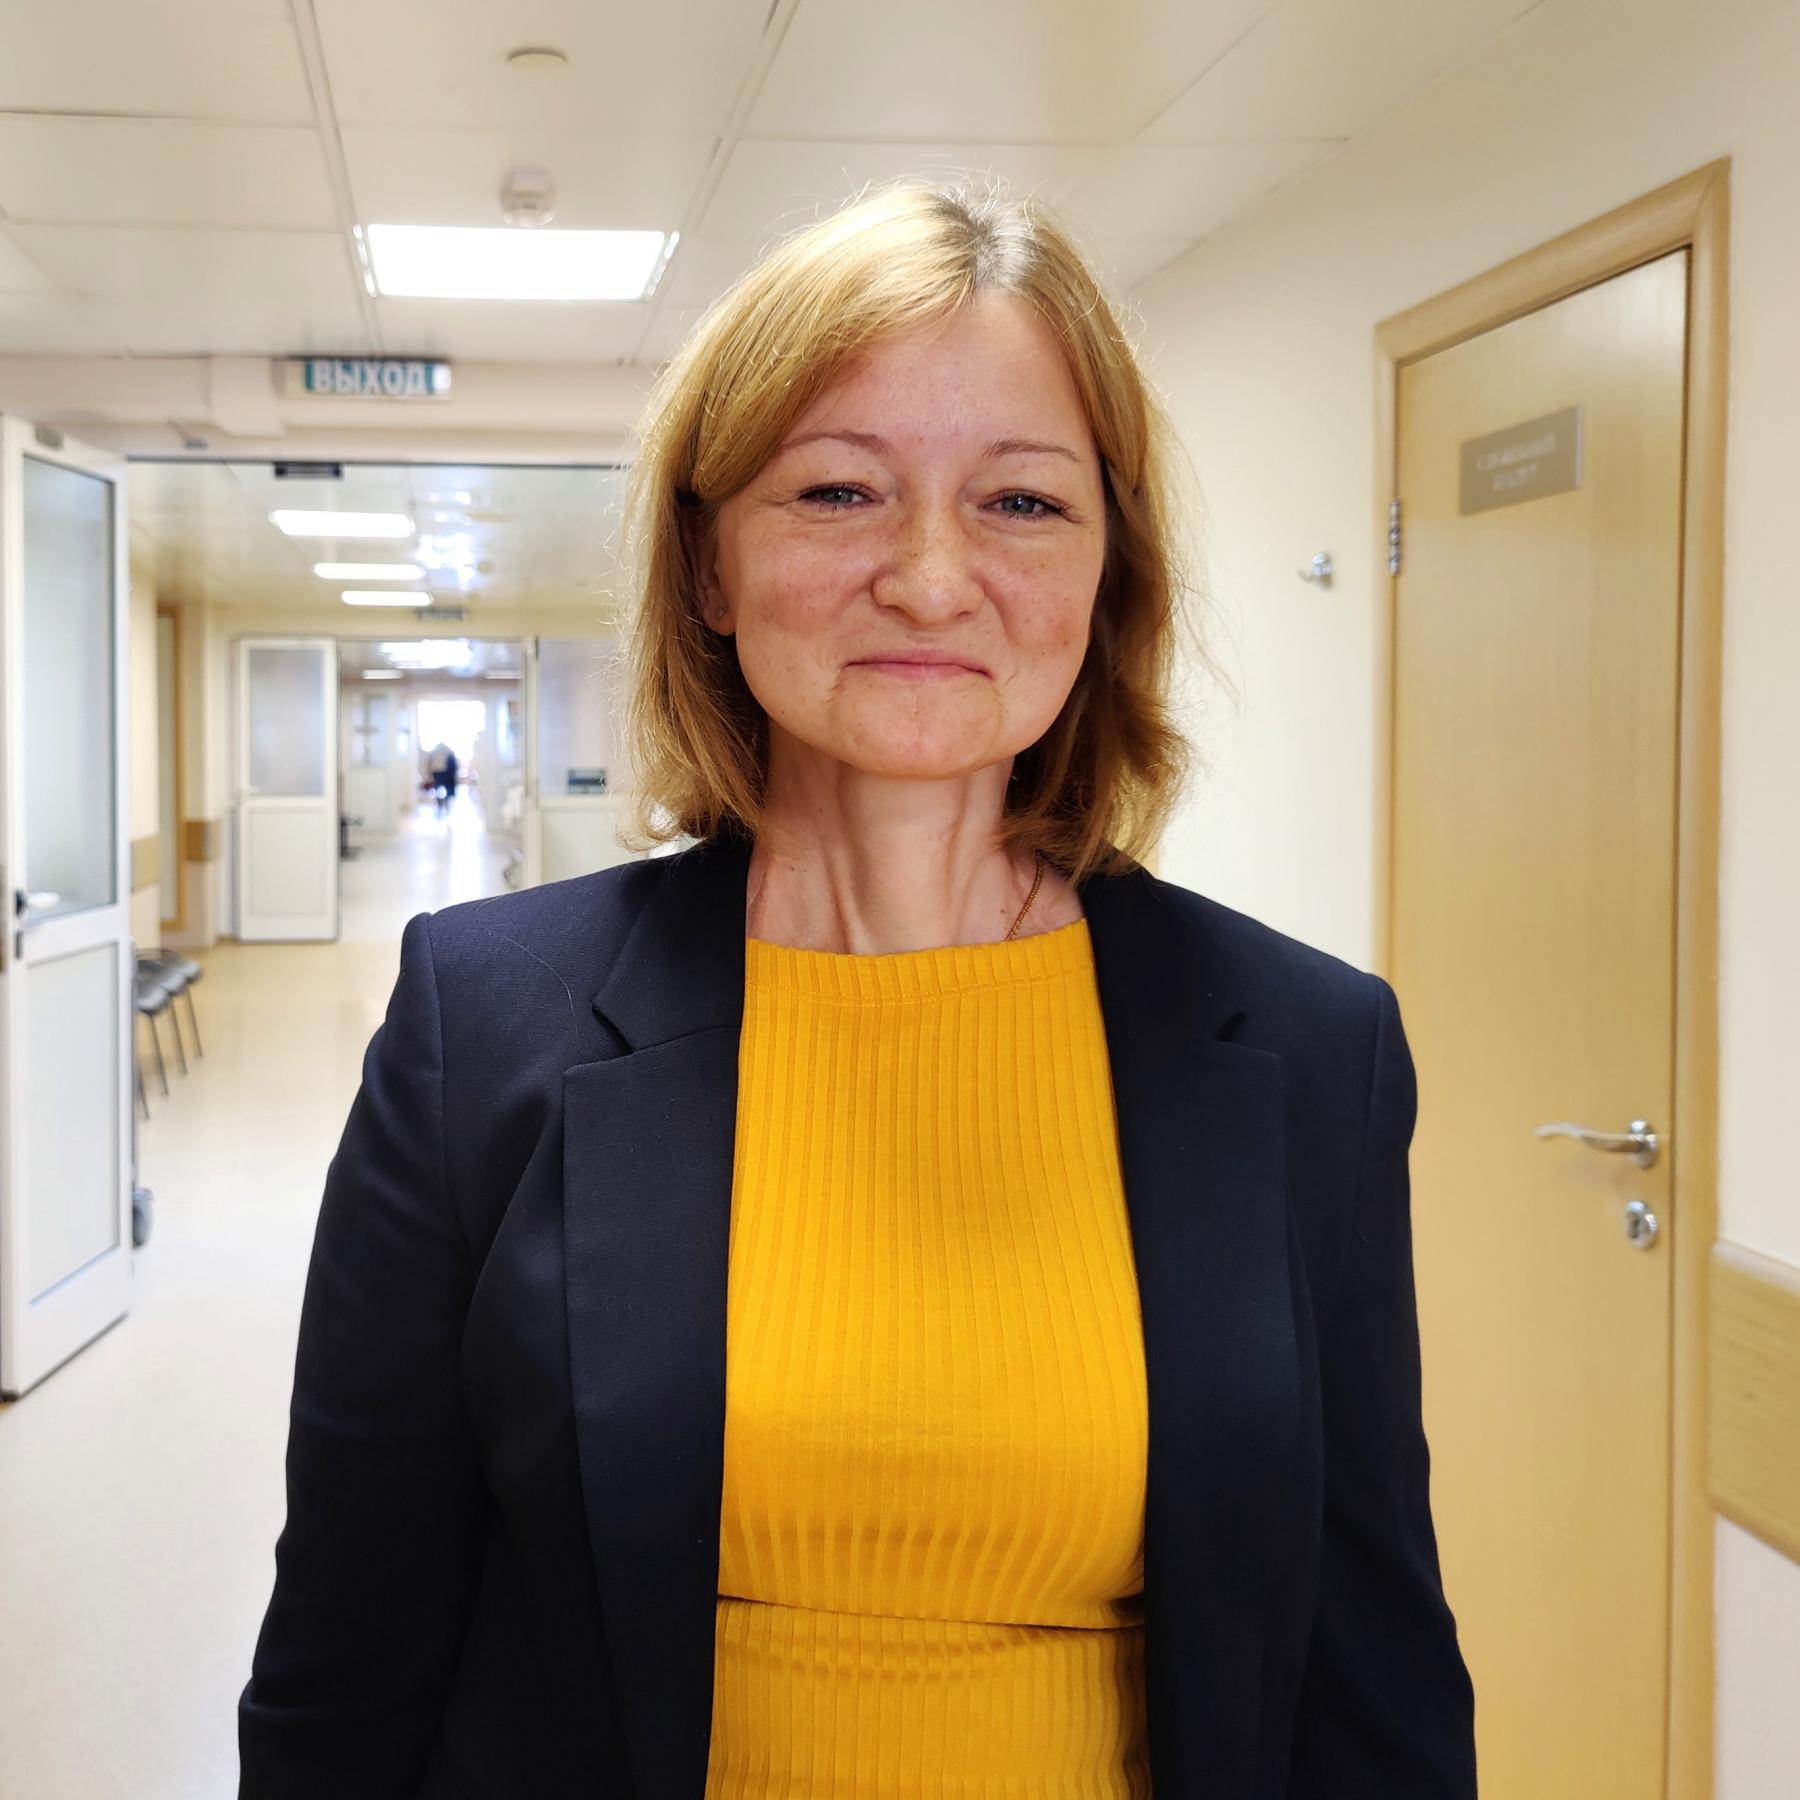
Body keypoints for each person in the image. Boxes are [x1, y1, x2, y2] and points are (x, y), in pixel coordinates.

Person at [239, 182, 1475, 1799]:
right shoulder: (482, 1026)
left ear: (1109, 573)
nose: (932, 577)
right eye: (838, 491)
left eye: (1023, 502)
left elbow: (1371, 1675)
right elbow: (348, 1664)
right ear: (708, 565)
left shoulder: (1307, 1048)